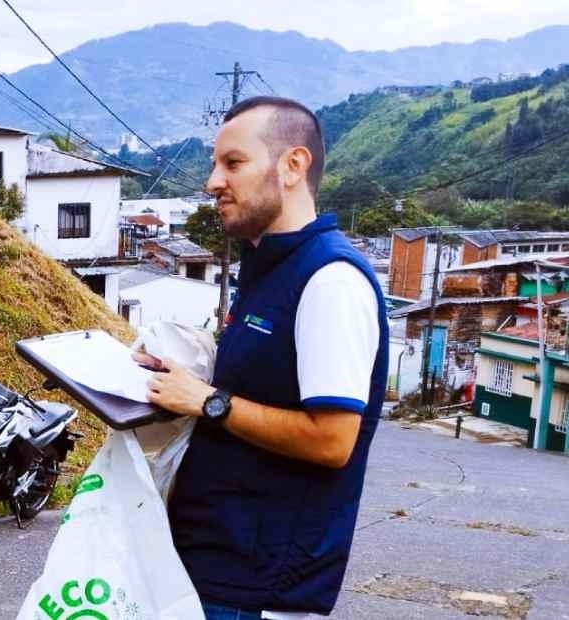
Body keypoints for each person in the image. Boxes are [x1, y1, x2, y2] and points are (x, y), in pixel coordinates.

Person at [135, 96, 388, 619]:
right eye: (214, 164)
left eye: (233, 163)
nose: (212, 181)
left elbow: (332, 439)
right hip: (211, 565)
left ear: (294, 165)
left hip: (258, 587)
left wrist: (209, 402)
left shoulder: (330, 281)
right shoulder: (269, 268)